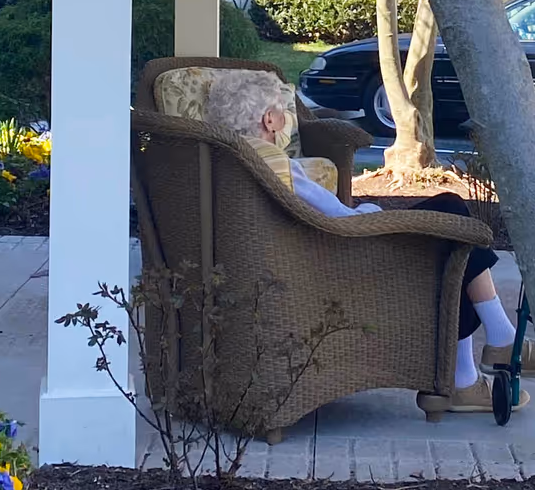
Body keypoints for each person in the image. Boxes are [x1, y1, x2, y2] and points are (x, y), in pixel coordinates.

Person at [197, 68, 518, 412]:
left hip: (312, 253)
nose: (291, 120)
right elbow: (337, 220)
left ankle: (466, 377)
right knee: (451, 212)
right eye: (286, 112)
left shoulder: (234, 161)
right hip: (350, 252)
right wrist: (375, 214)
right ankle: (495, 344)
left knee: (451, 236)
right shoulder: (278, 166)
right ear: (271, 119)